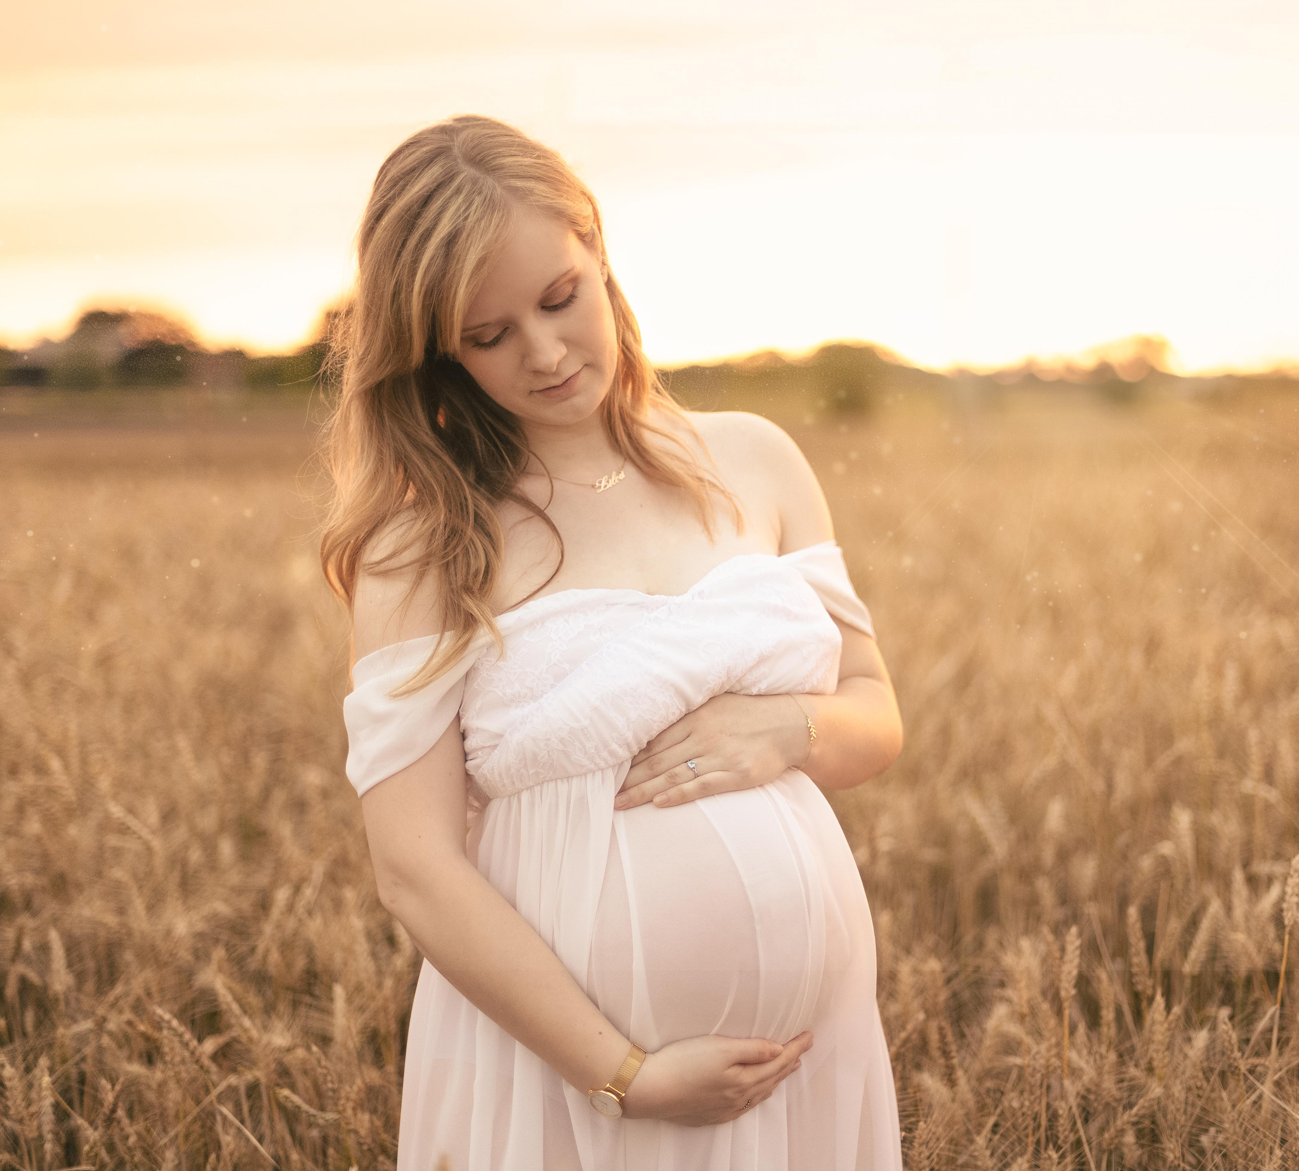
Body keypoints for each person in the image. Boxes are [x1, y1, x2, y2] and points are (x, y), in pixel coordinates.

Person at [318, 114, 905, 1170]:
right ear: (435, 352)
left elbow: (874, 712)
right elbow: (413, 868)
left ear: (599, 258)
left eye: (559, 298)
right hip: (571, 1083)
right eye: (488, 334)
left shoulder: (754, 459)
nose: (543, 353)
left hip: (809, 1060)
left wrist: (789, 729)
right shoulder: (423, 545)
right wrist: (622, 1072)